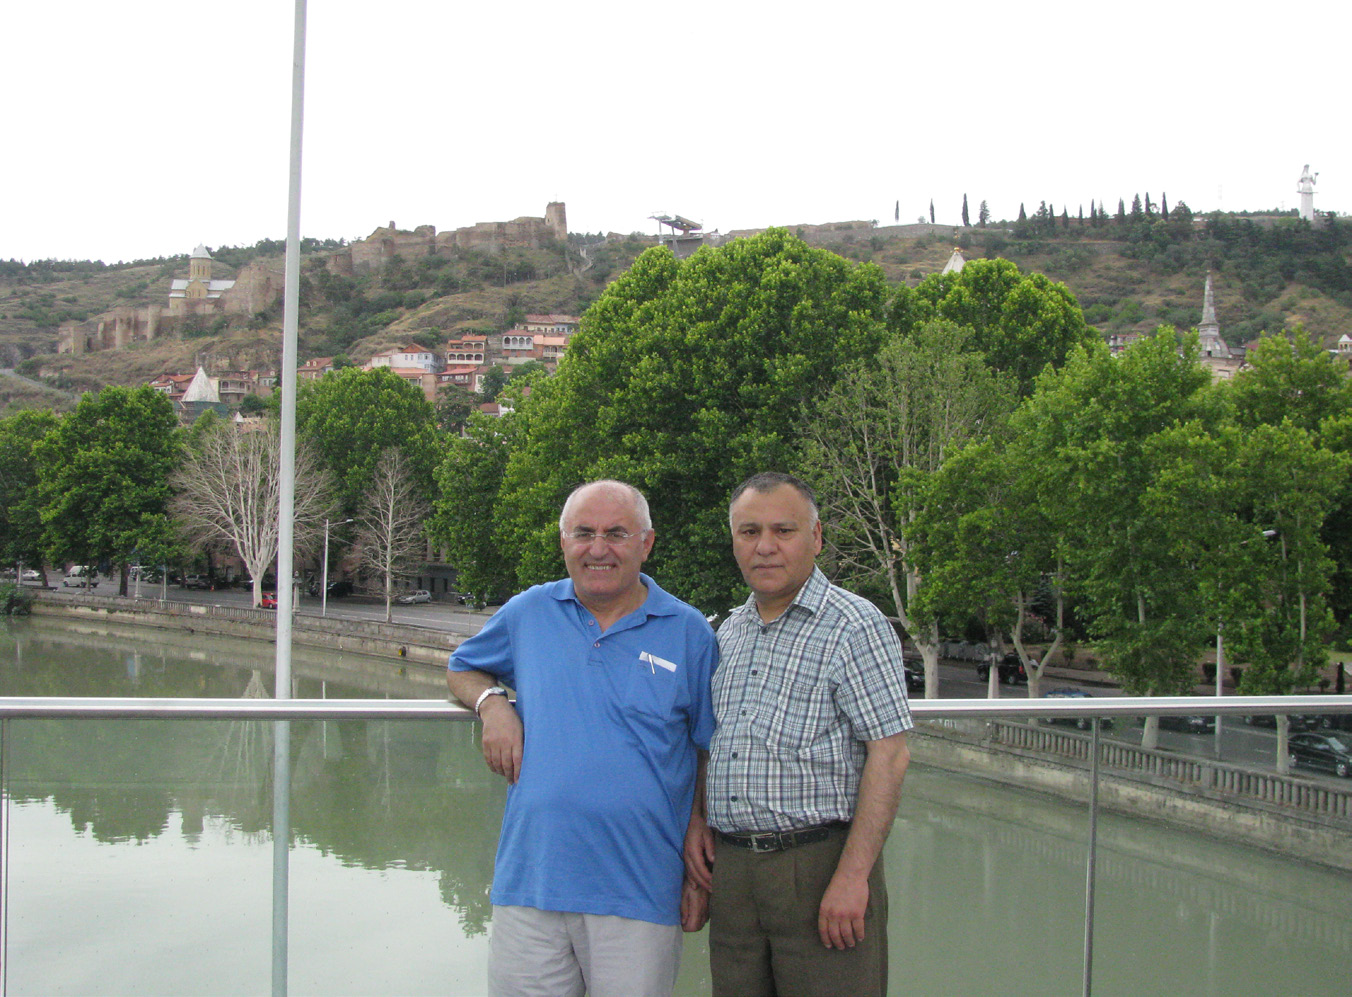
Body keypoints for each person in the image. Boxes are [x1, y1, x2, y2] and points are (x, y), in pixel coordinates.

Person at [447, 480, 717, 997]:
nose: (598, 549)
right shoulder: (529, 612)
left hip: (639, 889)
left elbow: (708, 749)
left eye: (616, 533)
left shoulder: (688, 632)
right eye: (583, 533)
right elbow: (462, 668)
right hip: (530, 884)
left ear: (647, 543)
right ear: (563, 541)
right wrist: (492, 705)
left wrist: (697, 843)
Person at [684, 471, 913, 997]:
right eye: (748, 532)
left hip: (818, 864)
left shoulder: (854, 625)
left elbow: (890, 754)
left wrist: (853, 876)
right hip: (734, 871)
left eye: (783, 530)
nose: (765, 547)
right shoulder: (729, 631)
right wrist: (697, 819)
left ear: (816, 538)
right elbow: (711, 746)